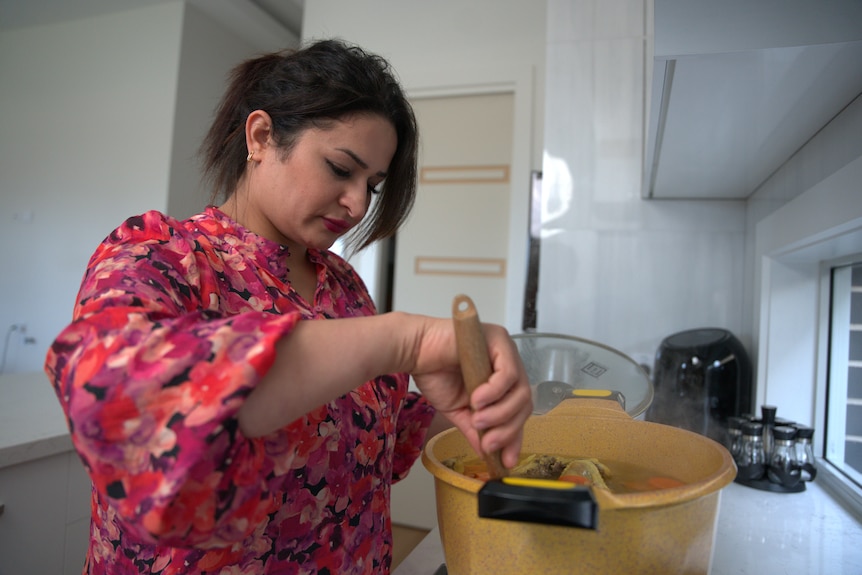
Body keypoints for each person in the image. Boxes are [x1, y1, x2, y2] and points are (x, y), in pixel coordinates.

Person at [44, 39, 533, 574]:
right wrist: (405, 340)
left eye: (372, 184)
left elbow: (359, 433)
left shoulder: (343, 286)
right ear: (261, 136)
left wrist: (476, 406)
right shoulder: (162, 256)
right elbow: (123, 402)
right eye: (340, 168)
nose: (358, 203)